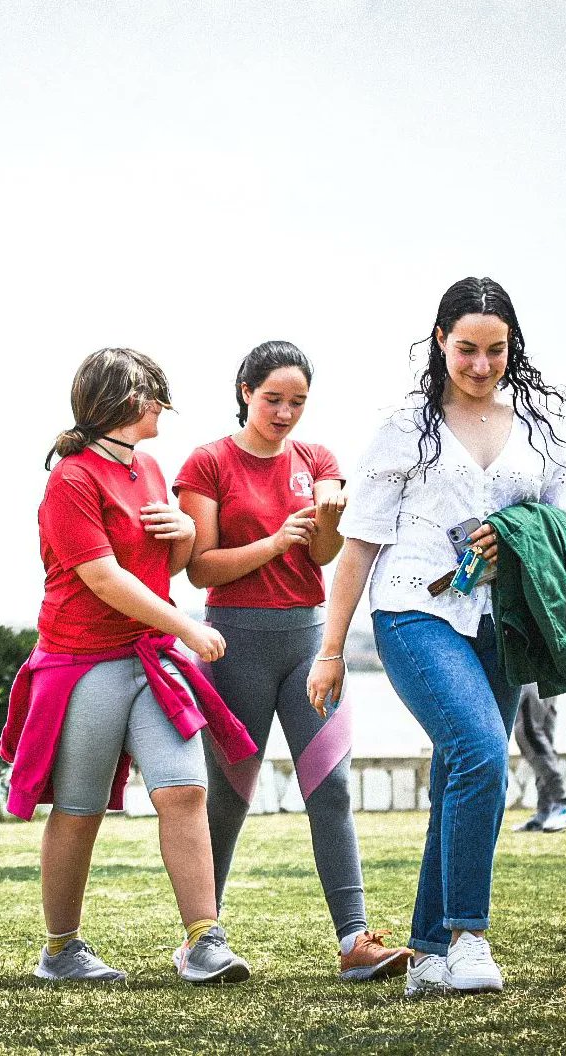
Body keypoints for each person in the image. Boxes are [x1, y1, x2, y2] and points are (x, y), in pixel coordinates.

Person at [307, 277, 566, 997]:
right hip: (413, 612)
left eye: (496, 350)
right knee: (480, 753)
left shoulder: (538, 426)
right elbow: (362, 542)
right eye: (467, 348)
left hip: (505, 623)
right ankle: (469, 937)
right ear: (441, 341)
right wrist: (332, 649)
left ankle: (429, 954)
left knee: (463, 775)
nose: (481, 364)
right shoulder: (408, 424)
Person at [0, 348, 254, 985]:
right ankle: (61, 950)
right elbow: (103, 578)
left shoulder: (148, 467)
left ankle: (204, 940)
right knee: (81, 808)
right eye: (159, 399)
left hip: (149, 657)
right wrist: (188, 627)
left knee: (185, 788)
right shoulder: (72, 479)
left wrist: (183, 538)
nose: (164, 409)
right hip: (85, 662)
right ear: (137, 405)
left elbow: (158, 569)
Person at [173, 340, 409, 982]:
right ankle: (202, 937)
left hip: (308, 644)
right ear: (245, 391)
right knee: (228, 794)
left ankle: (356, 940)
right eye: (273, 398)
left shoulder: (319, 459)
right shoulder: (209, 462)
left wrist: (328, 522)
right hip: (233, 644)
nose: (284, 412)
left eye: (297, 402)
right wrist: (276, 540)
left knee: (330, 785)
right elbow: (200, 568)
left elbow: (327, 554)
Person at [511, 683, 566, 832]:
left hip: (531, 671)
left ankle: (563, 802)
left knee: (527, 732)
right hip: (545, 672)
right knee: (542, 733)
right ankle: (547, 810)